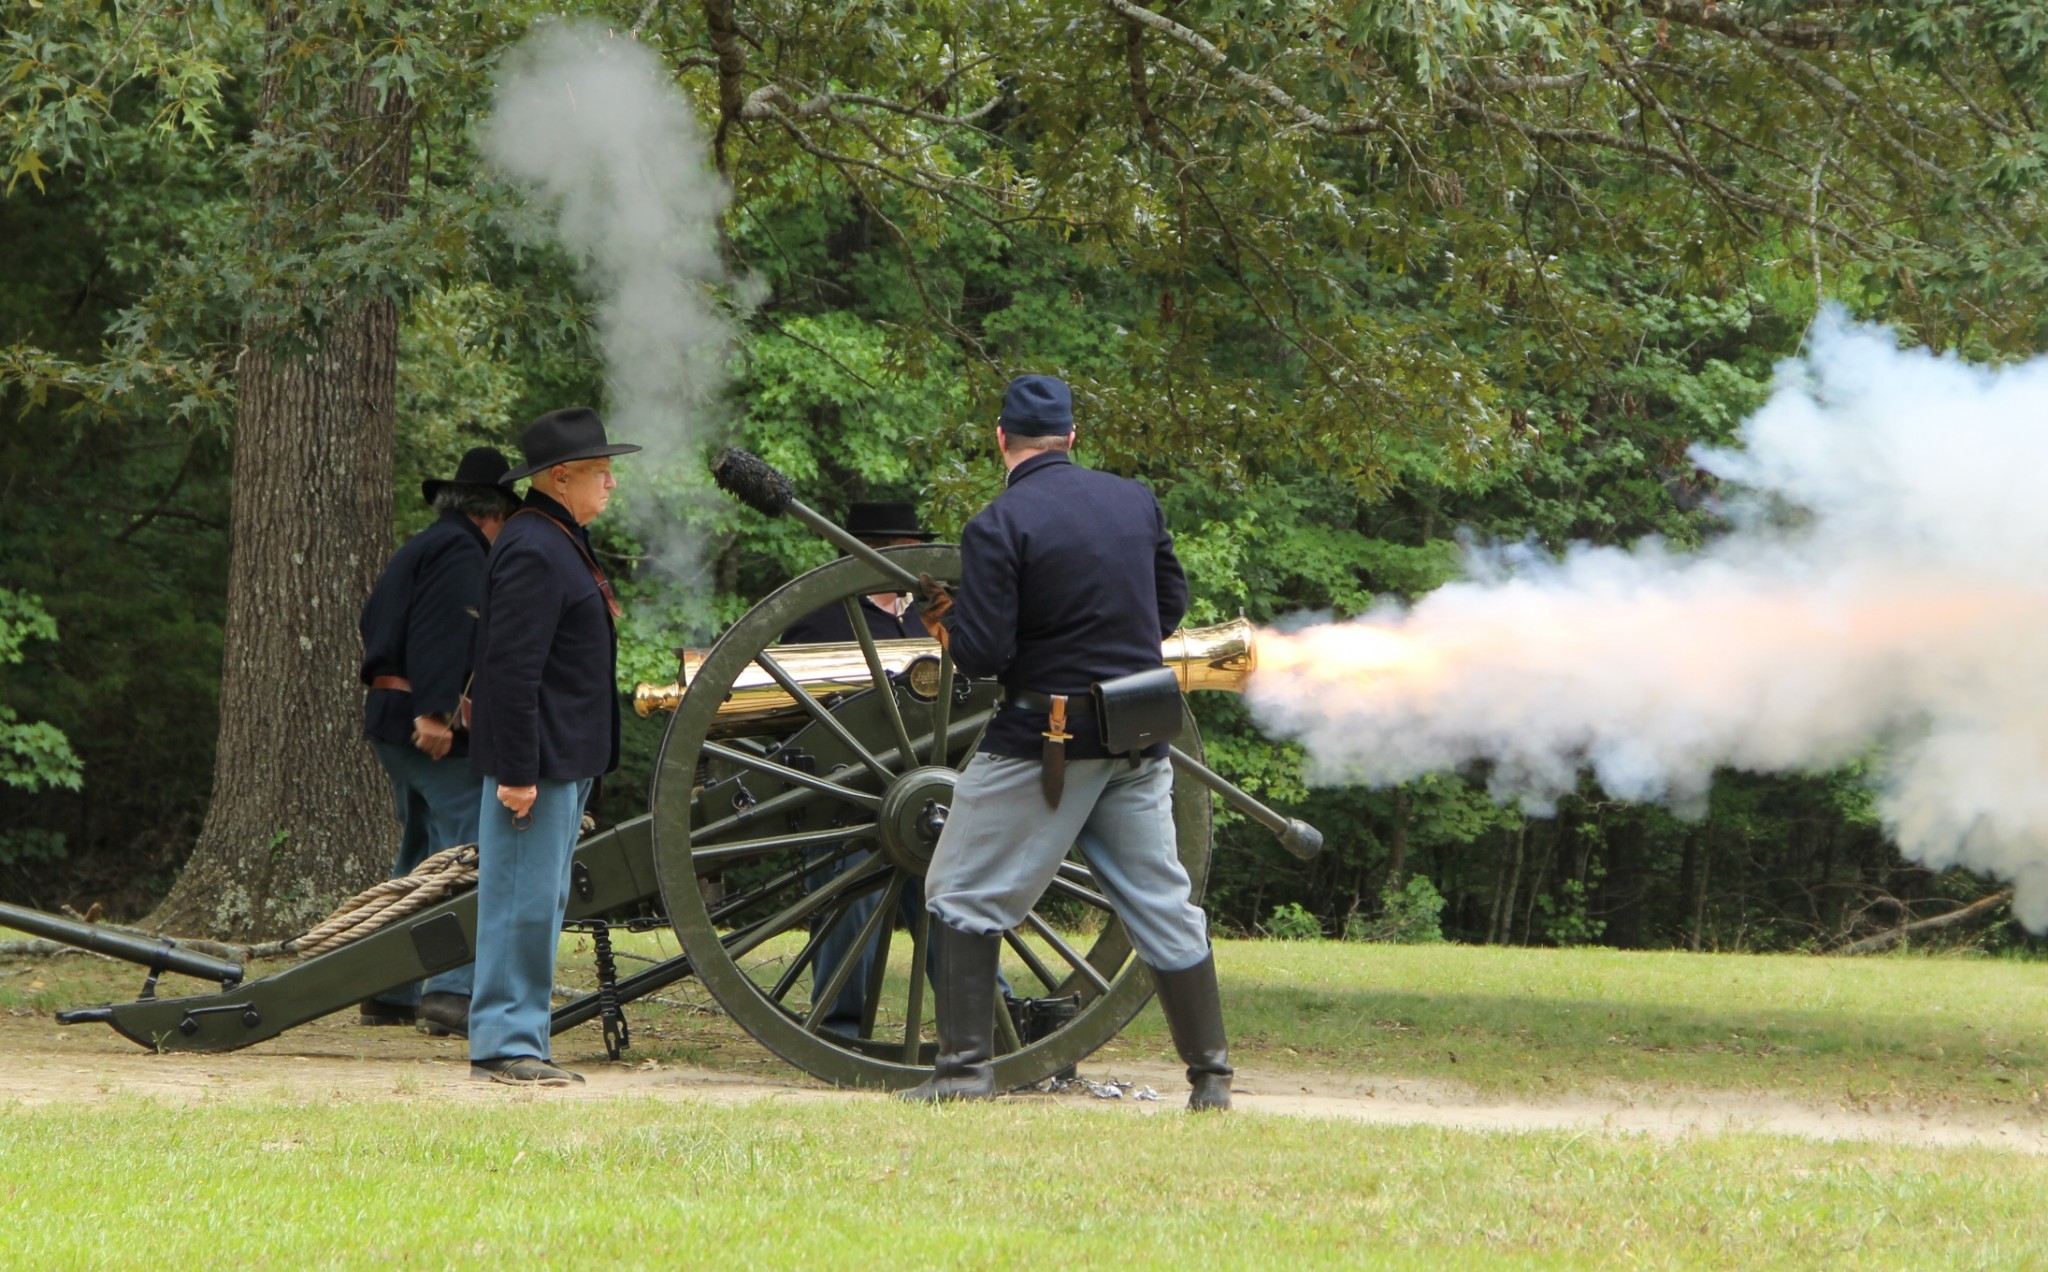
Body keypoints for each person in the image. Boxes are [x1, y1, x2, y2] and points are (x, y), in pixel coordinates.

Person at [903, 374, 1232, 1110]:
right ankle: (1211, 1081)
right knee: (1162, 902)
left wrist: (950, 625)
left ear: (1001, 440)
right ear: (1072, 439)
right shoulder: (1133, 501)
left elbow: (985, 655)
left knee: (956, 890)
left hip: (1043, 743)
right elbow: (1169, 605)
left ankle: (962, 1074)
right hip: (1137, 734)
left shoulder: (999, 524)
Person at [465, 407, 639, 1086]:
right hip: (535, 761)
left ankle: (521, 1038)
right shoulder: (536, 546)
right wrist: (516, 770)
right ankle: (505, 1044)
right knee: (520, 901)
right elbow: (510, 670)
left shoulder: (554, 537)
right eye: (601, 473)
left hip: (561, 756)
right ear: (561, 477)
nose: (611, 485)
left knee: (540, 903)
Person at [356, 446, 519, 1035]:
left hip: (390, 717)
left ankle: (388, 986)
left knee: (421, 855)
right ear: (491, 513)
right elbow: (447, 630)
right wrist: (436, 711)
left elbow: (373, 621)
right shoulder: (461, 550)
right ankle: (451, 991)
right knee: (470, 851)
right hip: (425, 723)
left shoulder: (422, 545)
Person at [780, 502, 935, 1035]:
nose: (911, 562)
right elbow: (791, 711)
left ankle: (987, 1015)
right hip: (847, 793)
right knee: (850, 909)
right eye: (901, 550)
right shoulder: (821, 618)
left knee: (949, 904)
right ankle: (840, 1028)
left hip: (927, 791)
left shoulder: (928, 617)